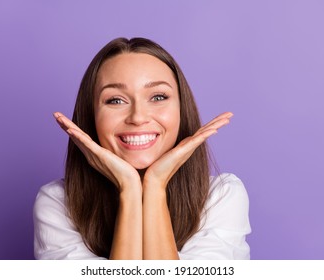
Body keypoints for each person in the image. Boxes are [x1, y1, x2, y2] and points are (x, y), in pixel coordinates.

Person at [33, 37, 251, 260]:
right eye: (116, 100)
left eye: (158, 97)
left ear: (181, 110)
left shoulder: (222, 197)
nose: (138, 117)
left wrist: (155, 186)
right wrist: (129, 188)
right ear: (92, 116)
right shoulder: (57, 203)